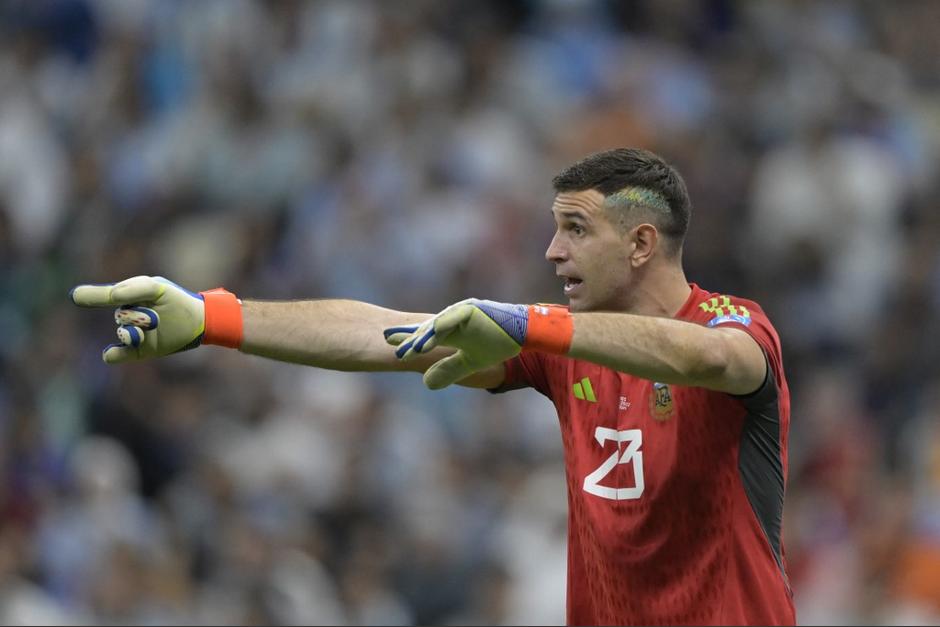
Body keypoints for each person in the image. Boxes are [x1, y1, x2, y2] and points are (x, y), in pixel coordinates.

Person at [71, 148, 795, 626]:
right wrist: (211, 317)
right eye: (554, 228)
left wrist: (530, 324)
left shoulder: (734, 325)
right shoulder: (564, 343)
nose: (553, 251)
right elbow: (382, 334)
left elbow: (702, 358)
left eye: (576, 229)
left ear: (641, 243)